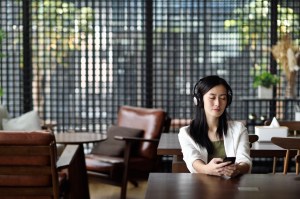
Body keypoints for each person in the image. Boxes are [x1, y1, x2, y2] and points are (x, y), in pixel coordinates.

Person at [178, 75, 251, 178]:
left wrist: (237, 169)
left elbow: (245, 161)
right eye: (212, 97)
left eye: (223, 98)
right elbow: (192, 159)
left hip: (232, 188)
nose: (217, 103)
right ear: (199, 100)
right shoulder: (186, 133)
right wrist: (207, 169)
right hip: (200, 188)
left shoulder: (239, 129)